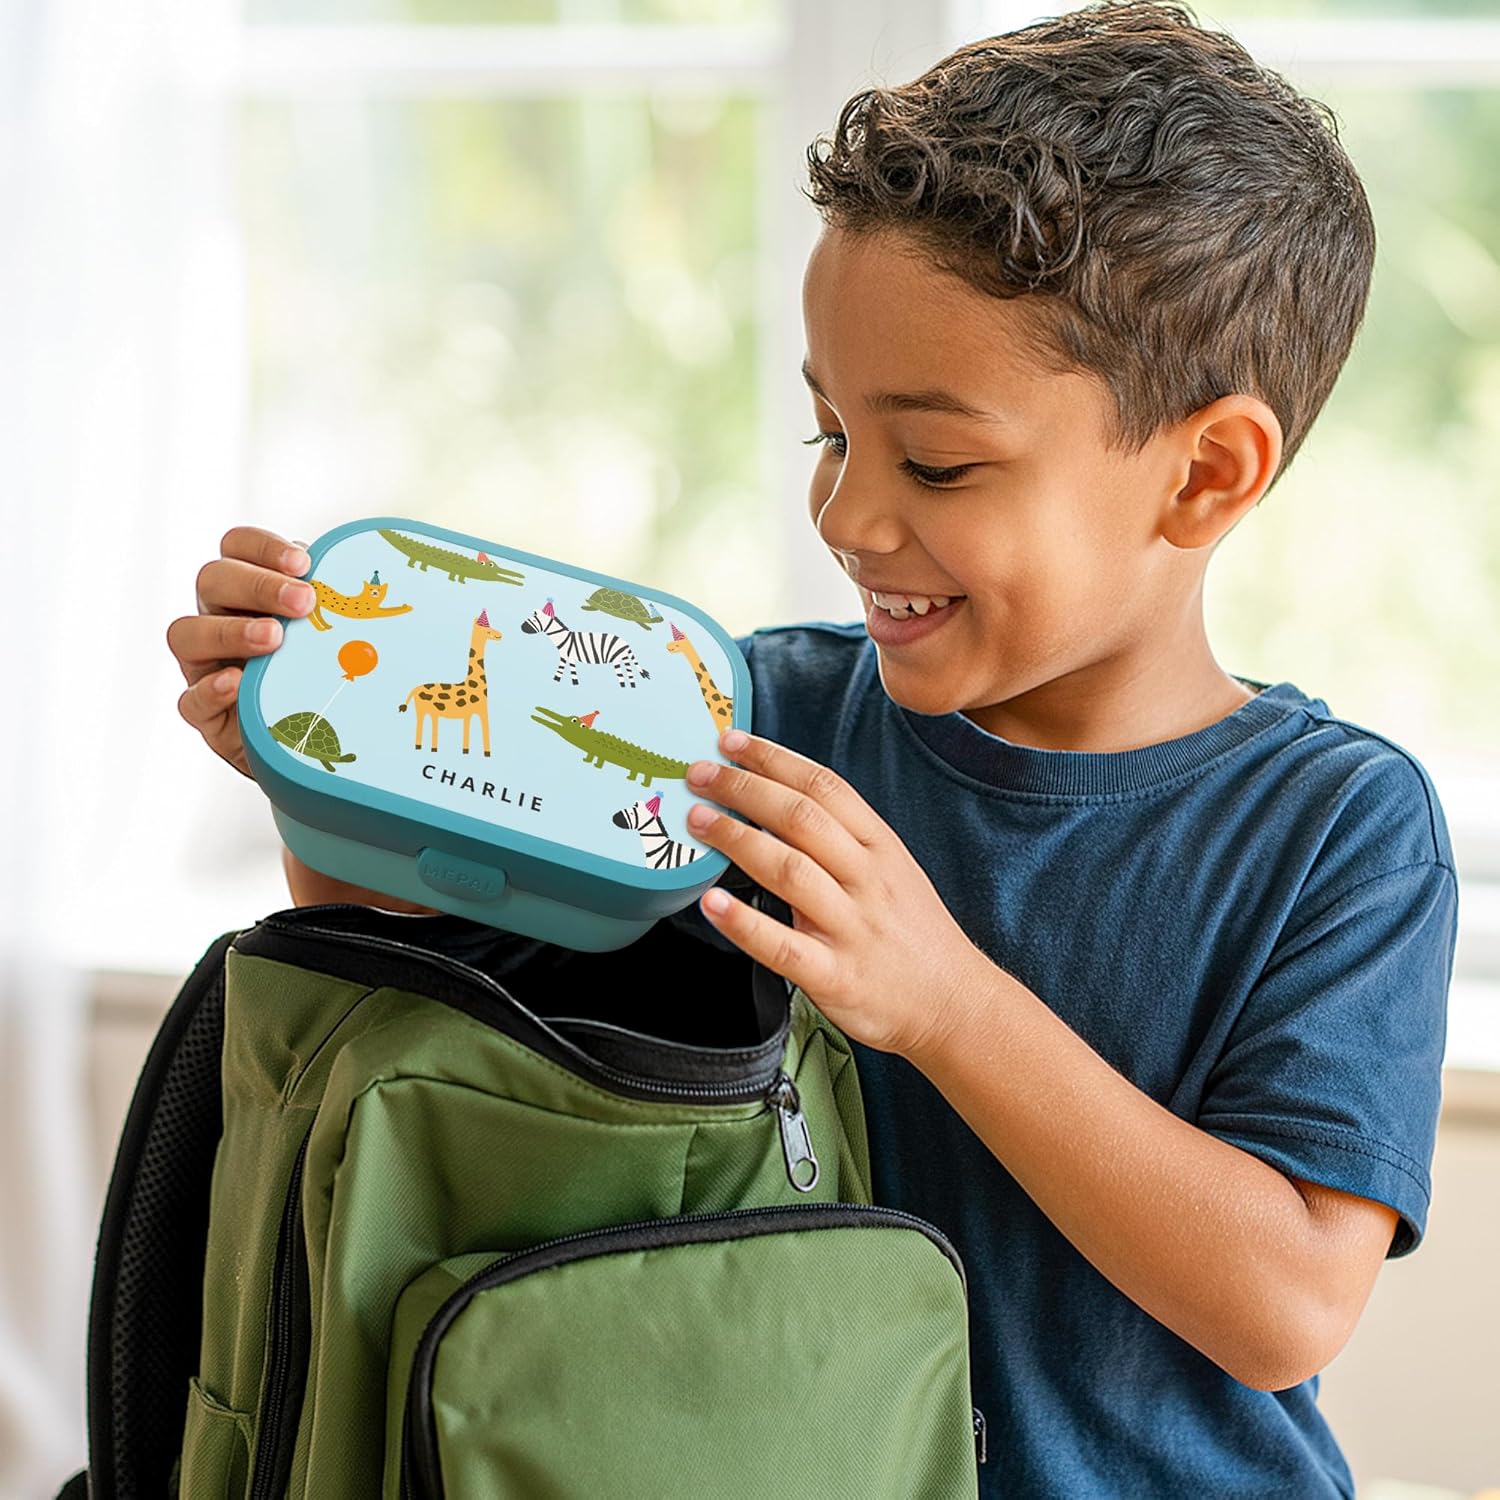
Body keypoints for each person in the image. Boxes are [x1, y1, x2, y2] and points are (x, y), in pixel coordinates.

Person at [167, 3, 1460, 1494]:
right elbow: (439, 1011)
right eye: (828, 433)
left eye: (938, 463)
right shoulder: (754, 726)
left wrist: (944, 1003)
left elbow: (1288, 1306)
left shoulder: (1339, 830)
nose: (847, 516)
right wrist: (322, 774)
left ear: (1206, 474)